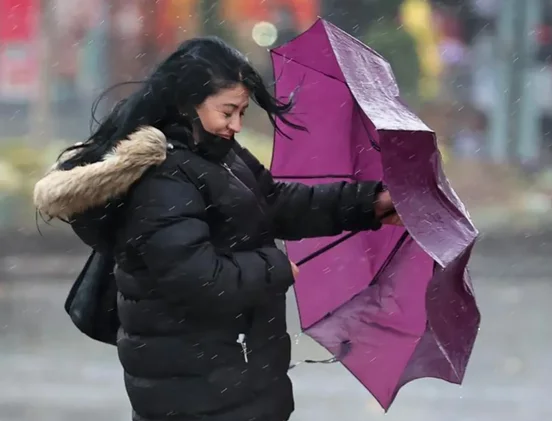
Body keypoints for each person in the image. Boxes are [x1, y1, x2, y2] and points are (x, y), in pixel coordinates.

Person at [32, 37, 400, 421]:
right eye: (227, 112)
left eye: (242, 112)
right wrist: (274, 268)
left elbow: (274, 203)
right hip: (194, 392)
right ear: (189, 101)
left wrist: (369, 204)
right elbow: (198, 278)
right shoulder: (163, 177)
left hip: (233, 380)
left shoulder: (217, 153)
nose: (236, 125)